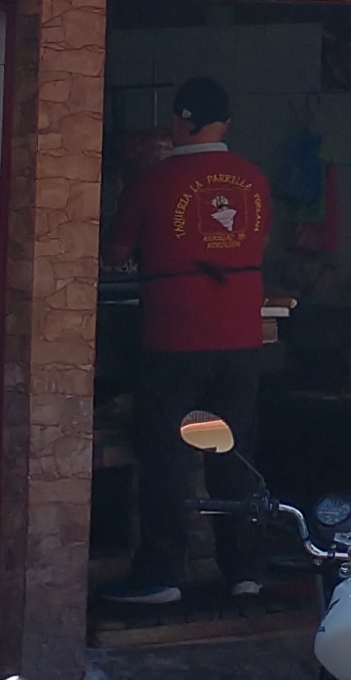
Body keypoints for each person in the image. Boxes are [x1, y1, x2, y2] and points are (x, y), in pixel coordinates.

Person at [106, 76, 273, 609]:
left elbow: (114, 255)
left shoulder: (153, 182)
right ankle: (245, 572)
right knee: (234, 454)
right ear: (226, 123)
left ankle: (161, 575)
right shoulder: (254, 179)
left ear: (181, 120)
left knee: (167, 457)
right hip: (242, 337)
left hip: (175, 336)